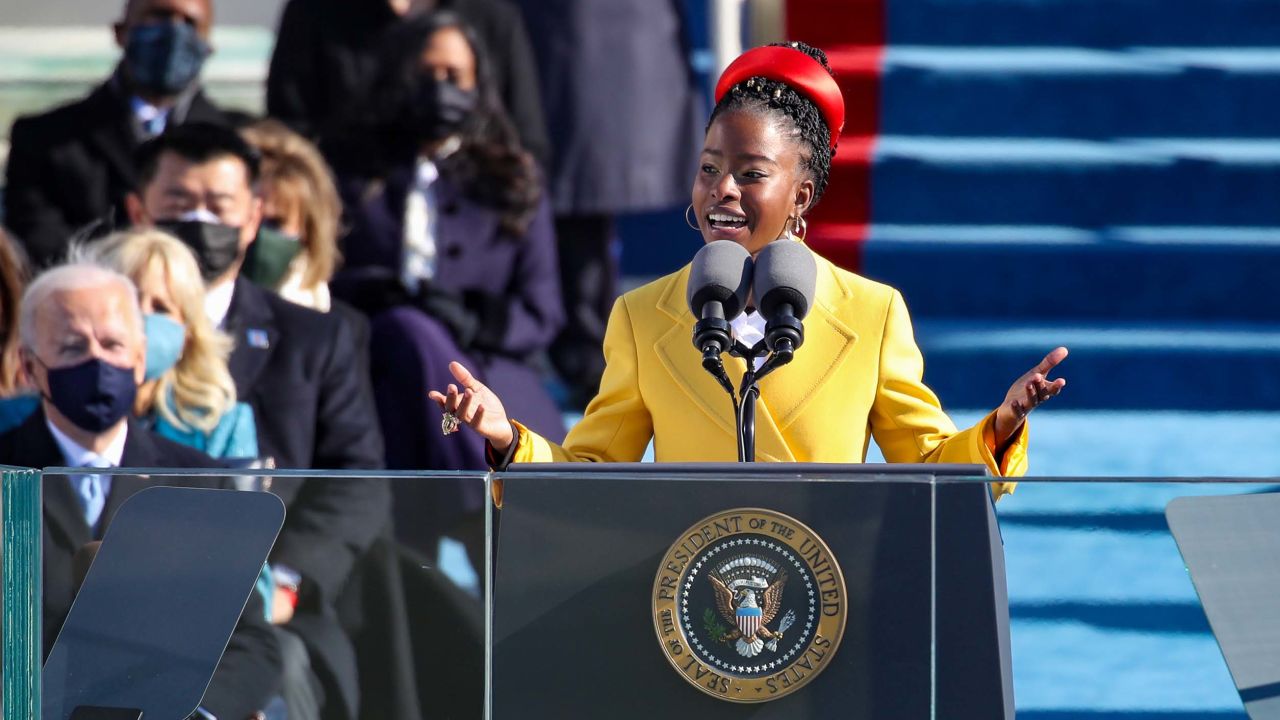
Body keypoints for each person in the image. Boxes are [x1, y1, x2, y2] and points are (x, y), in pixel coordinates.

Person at [430, 42, 1069, 494]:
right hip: (693, 604)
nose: (722, 190)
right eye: (709, 169)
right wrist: (508, 439)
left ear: (803, 195)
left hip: (829, 595)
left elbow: (930, 464)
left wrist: (1003, 422)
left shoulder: (871, 314)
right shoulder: (642, 315)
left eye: (751, 174)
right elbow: (594, 468)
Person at [125, 123, 390, 720]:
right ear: (139, 211)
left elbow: (356, 479)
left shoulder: (317, 339)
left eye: (219, 206)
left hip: (270, 611)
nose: (199, 221)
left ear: (252, 217)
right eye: (178, 204)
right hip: (117, 601)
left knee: (279, 669)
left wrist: (286, 582)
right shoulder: (99, 338)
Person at [0, 263, 281, 719]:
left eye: (112, 344)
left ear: (140, 357)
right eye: (72, 347)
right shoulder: (6, 471)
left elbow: (249, 641)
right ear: (30, 367)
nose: (97, 361)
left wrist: (201, 713)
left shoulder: (196, 480)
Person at [510, 0, 706, 408]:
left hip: (570, 52)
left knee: (580, 203)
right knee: (576, 202)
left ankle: (591, 357)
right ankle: (589, 355)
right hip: (561, 46)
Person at [4, 0, 228, 267]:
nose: (173, 33)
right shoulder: (45, 138)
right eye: (158, 16)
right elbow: (37, 233)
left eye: (190, 23)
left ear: (209, 44)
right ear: (121, 32)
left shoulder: (237, 142)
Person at [265, 0, 548, 167]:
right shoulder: (317, 11)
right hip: (351, 230)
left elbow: (526, 144)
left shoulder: (490, 15)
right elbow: (288, 134)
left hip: (471, 232)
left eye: (450, 73)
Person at [84, 229, 258, 458]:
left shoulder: (221, 426)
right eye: (129, 301)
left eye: (161, 308)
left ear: (187, 335)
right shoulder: (41, 415)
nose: (142, 316)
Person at [239, 119, 342, 312]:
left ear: (310, 231)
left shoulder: (336, 330)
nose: (257, 234)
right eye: (249, 217)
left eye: (274, 223)